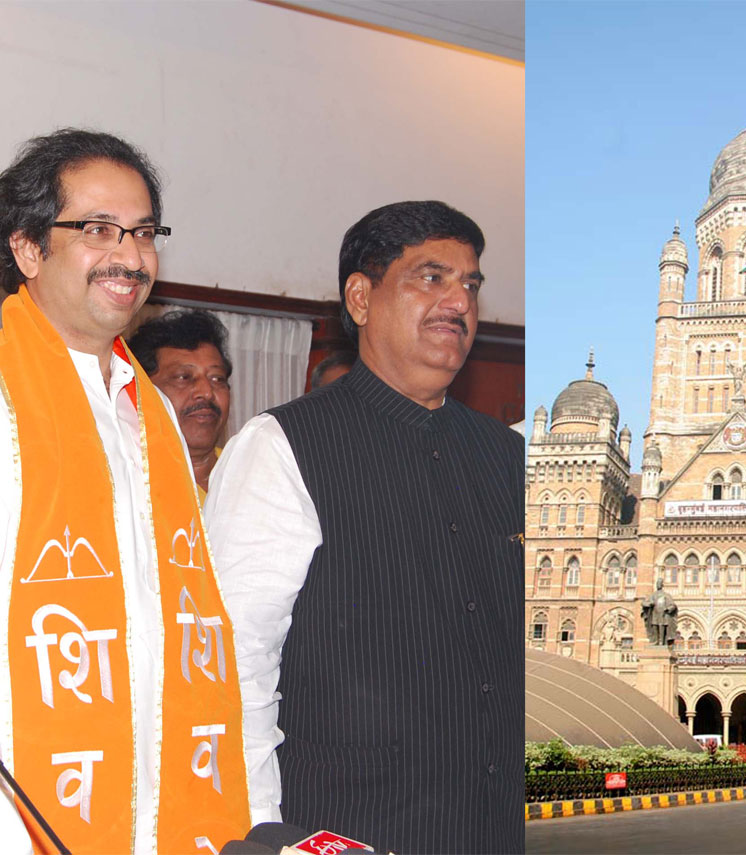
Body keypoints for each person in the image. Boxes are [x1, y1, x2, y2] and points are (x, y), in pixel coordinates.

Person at [0, 129, 249, 854]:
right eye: (98, 229)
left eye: (144, 232)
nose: (131, 254)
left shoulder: (150, 417)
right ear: (26, 248)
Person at [205, 201, 524, 854]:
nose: (458, 301)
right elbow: (233, 668)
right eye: (431, 278)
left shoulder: (509, 455)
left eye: (470, 284)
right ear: (360, 296)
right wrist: (264, 832)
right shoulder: (283, 446)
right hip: (348, 829)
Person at [128, 308, 233, 493]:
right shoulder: (128, 482)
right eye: (183, 377)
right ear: (142, 391)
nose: (207, 392)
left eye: (217, 378)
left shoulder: (250, 473)